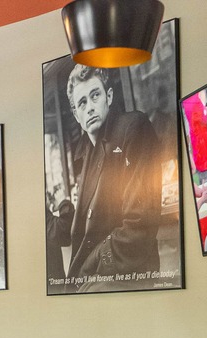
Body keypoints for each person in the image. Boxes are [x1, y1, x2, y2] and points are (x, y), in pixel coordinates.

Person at [46, 65, 163, 293]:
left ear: (108, 97)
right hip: (100, 277)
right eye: (82, 103)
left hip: (127, 276)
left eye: (95, 96)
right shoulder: (89, 152)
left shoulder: (133, 128)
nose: (89, 108)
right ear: (76, 115)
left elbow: (138, 225)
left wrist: (88, 270)